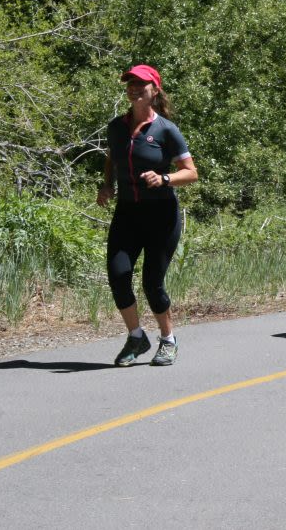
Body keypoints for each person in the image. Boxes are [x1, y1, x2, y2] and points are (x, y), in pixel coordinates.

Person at [97, 64, 198, 367]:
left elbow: (192, 173)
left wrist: (165, 178)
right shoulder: (116, 127)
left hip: (161, 216)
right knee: (118, 276)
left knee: (152, 283)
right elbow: (112, 159)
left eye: (141, 84)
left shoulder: (166, 130)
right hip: (127, 213)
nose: (134, 88)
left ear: (155, 90)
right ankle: (137, 337)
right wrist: (106, 186)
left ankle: (168, 339)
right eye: (130, 83)